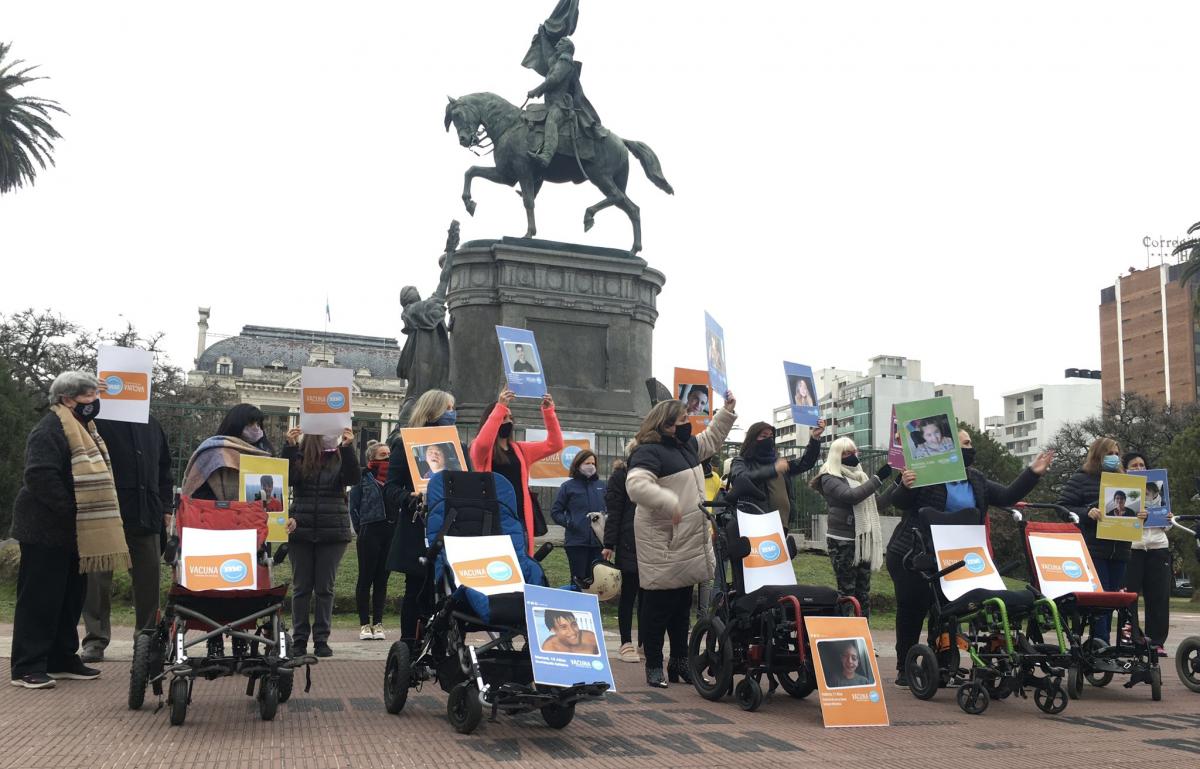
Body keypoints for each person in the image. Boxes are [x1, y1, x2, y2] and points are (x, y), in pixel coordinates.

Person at [887, 429, 1053, 687]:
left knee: (947, 611)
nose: (970, 447)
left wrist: (1032, 473)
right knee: (913, 610)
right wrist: (905, 483)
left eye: (971, 443)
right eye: (965, 443)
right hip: (914, 553)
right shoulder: (927, 474)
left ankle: (942, 666)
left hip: (956, 557)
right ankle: (905, 668)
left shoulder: (976, 479)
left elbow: (1007, 496)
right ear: (950, 447)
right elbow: (898, 502)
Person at [10, 372, 130, 689]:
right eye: (88, 396)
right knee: (40, 598)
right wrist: (74, 511)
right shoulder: (49, 429)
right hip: (44, 529)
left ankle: (62, 658)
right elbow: (39, 476)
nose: (95, 402)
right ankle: (27, 665)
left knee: (69, 598)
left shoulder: (85, 428)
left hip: (75, 533)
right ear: (67, 399)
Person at [625, 392, 736, 688]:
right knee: (657, 608)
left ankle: (679, 661)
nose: (689, 424)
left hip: (687, 540)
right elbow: (636, 486)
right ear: (666, 425)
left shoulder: (685, 445)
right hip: (663, 540)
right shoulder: (648, 451)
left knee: (680, 608)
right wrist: (668, 500)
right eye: (683, 420)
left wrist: (726, 412)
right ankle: (653, 664)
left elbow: (711, 439)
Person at [80, 414, 174, 664]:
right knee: (97, 579)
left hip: (146, 513)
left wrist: (166, 506)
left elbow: (164, 468)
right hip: (106, 512)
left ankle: (147, 639)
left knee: (148, 579)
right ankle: (95, 639)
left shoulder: (153, 424)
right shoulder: (95, 421)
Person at [385, 389, 468, 641]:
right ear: (432, 412)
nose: (453, 413)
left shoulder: (458, 447)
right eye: (448, 408)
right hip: (418, 527)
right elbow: (391, 487)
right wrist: (408, 498)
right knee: (416, 590)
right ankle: (410, 646)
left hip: (452, 527)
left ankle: (443, 647)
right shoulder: (404, 445)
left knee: (448, 592)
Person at [282, 426, 358, 658]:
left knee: (325, 588)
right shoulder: (301, 455)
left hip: (332, 530)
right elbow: (287, 478)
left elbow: (353, 478)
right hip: (301, 528)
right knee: (301, 587)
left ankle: (321, 639)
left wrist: (347, 448)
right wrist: (290, 448)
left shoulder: (339, 456)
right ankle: (300, 639)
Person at [470, 388, 563, 554]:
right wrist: (500, 407)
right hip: (493, 518)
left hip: (519, 518)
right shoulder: (480, 451)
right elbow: (483, 443)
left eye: (510, 418)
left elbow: (555, 444)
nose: (508, 421)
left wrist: (549, 412)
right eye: (504, 418)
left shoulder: (520, 449)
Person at [812, 437, 897, 618]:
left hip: (862, 541)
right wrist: (878, 478)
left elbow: (879, 503)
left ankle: (863, 638)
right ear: (837, 455)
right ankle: (844, 636)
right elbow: (850, 496)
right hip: (842, 542)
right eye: (846, 453)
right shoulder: (828, 476)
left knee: (863, 593)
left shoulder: (860, 477)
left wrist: (898, 484)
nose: (852, 456)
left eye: (854, 452)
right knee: (847, 591)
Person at [1058, 437, 1128, 644]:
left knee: (1112, 598)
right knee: (1101, 597)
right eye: (1109, 454)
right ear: (1098, 455)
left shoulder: (1125, 481)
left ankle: (1103, 644)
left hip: (1120, 548)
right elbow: (1063, 507)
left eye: (1117, 454)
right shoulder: (1081, 479)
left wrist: (1143, 515)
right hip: (1094, 548)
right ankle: (1100, 643)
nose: (1114, 458)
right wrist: (1087, 512)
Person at [729, 418, 827, 531]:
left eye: (771, 436)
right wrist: (773, 470)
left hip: (782, 525)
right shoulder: (741, 462)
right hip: (756, 524)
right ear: (752, 439)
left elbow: (805, 463)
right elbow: (741, 479)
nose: (768, 440)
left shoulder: (779, 463)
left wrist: (815, 438)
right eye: (763, 436)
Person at [1121, 452, 1172, 655]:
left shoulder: (1158, 487)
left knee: (1158, 597)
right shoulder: (1120, 491)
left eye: (1142, 465)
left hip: (1158, 546)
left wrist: (1168, 518)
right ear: (1126, 469)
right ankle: (1131, 639)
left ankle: (1156, 642)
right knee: (1129, 597)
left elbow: (1166, 526)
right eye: (1134, 465)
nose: (1139, 468)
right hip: (1132, 548)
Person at [350, 441, 398, 641]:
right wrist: (362, 529)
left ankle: (378, 622)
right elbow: (354, 506)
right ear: (372, 459)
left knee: (382, 579)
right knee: (365, 578)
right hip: (370, 531)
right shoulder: (362, 478)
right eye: (382, 455)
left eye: (389, 455)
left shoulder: (396, 478)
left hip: (391, 530)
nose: (387, 458)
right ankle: (364, 624)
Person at [181, 403, 274, 500]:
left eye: (258, 424)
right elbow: (197, 489)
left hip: (251, 513)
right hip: (217, 511)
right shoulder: (214, 452)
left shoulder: (263, 454)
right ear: (237, 423)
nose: (256, 428)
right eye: (251, 423)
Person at [603, 441, 642, 664]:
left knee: (650, 596)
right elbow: (614, 512)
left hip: (652, 541)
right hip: (629, 540)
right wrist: (609, 543)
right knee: (629, 594)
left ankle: (645, 641)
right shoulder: (620, 477)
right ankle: (626, 642)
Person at [550, 450, 607, 586]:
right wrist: (571, 522)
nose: (591, 466)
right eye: (587, 463)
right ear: (578, 464)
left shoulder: (602, 486)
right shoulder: (568, 487)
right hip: (576, 542)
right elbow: (556, 512)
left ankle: (592, 606)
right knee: (578, 580)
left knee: (595, 580)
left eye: (593, 463)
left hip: (598, 542)